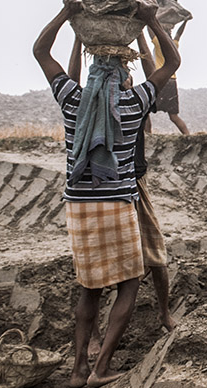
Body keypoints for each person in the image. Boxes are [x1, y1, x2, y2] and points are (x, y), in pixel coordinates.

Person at [34, 0, 180, 388]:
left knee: (90, 289)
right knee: (129, 285)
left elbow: (40, 51)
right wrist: (151, 21)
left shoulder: (73, 102)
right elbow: (173, 63)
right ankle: (101, 369)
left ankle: (79, 370)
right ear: (121, 75)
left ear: (92, 73)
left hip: (78, 207)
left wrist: (67, 14)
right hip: (117, 202)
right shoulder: (133, 104)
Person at [68, 32, 178, 347]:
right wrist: (148, 27)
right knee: (120, 275)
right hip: (122, 191)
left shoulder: (101, 106)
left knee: (152, 258)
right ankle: (100, 339)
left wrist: (78, 40)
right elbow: (166, 68)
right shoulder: (128, 104)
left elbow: (71, 79)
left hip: (121, 188)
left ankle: (163, 313)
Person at [151, 18, 190, 135]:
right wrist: (185, 21)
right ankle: (187, 136)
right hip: (172, 81)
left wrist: (150, 18)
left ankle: (147, 134)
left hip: (160, 80)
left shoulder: (158, 42)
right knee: (173, 116)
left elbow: (150, 28)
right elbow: (179, 33)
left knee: (144, 111)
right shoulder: (174, 44)